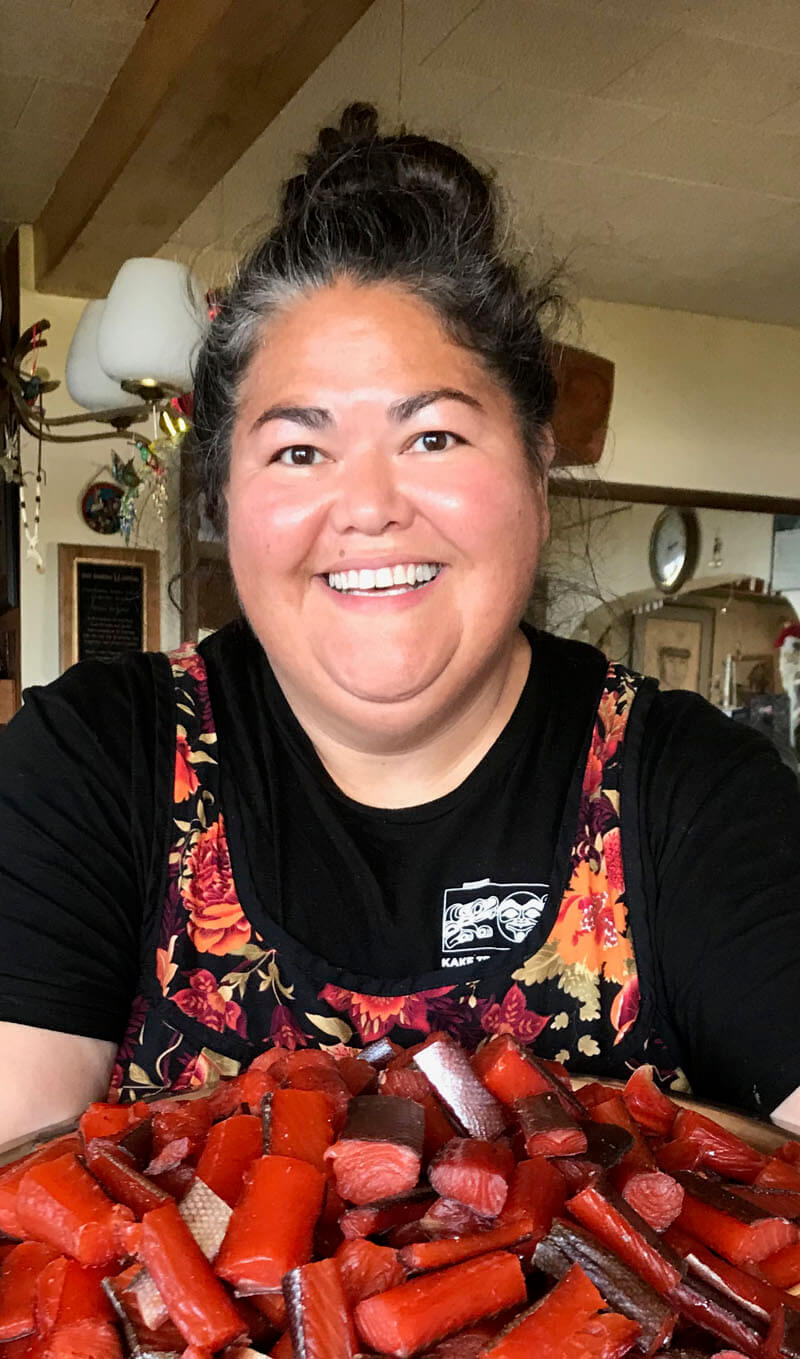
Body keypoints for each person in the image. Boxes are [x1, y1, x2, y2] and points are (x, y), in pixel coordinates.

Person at [1, 104, 799, 1147]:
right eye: (298, 451)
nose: (369, 506)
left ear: (537, 468)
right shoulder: (91, 760)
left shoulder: (695, 794)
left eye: (432, 437)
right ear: (223, 501)